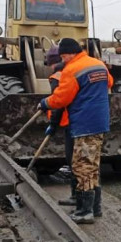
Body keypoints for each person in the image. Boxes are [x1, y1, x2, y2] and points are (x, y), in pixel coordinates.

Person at [39, 38, 110, 224]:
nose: (63, 60)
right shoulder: (99, 65)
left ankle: (84, 212)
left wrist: (45, 103)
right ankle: (95, 208)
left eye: (63, 56)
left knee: (81, 166)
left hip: (84, 123)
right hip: (100, 121)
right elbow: (109, 82)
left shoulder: (72, 70)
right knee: (92, 165)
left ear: (70, 53)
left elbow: (60, 99)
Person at [44, 46, 76, 207]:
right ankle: (86, 201)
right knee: (83, 163)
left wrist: (53, 124)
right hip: (81, 121)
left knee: (73, 161)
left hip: (70, 122)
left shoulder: (57, 77)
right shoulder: (76, 70)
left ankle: (77, 198)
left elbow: (58, 103)